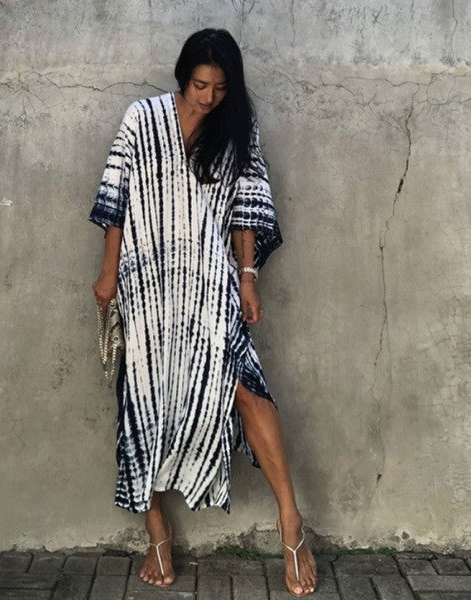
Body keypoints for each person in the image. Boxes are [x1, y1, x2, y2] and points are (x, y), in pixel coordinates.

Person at [89, 28, 318, 597]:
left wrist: (248, 278)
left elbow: (247, 206)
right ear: (182, 76)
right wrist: (108, 272)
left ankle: (291, 521)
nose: (209, 97)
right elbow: (116, 199)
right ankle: (156, 530)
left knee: (246, 389)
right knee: (143, 399)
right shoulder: (141, 119)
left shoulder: (236, 128)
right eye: (200, 85)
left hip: (209, 282)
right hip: (146, 281)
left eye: (220, 87)